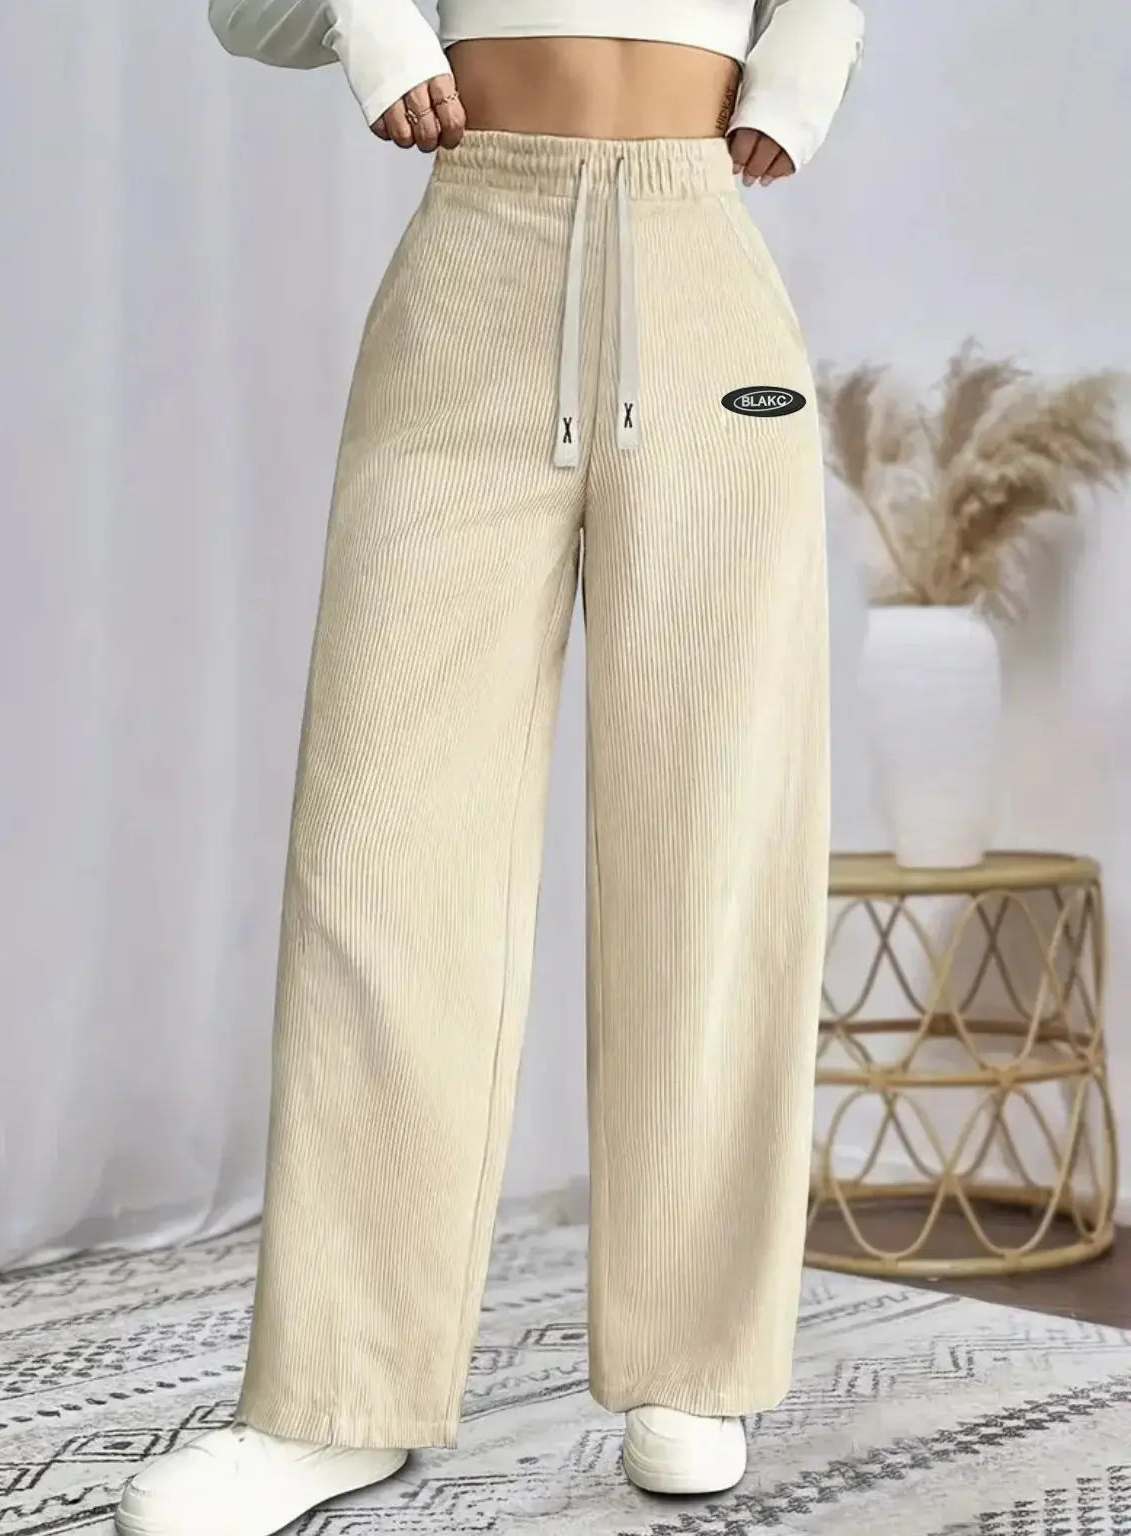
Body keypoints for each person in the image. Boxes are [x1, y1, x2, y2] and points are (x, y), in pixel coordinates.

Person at [115, 1, 863, 1531]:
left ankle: (696, 1363)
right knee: (381, 852)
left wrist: (803, 75)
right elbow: (244, 16)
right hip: (476, 263)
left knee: (718, 840)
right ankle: (337, 1397)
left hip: (707, 275)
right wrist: (374, 24)